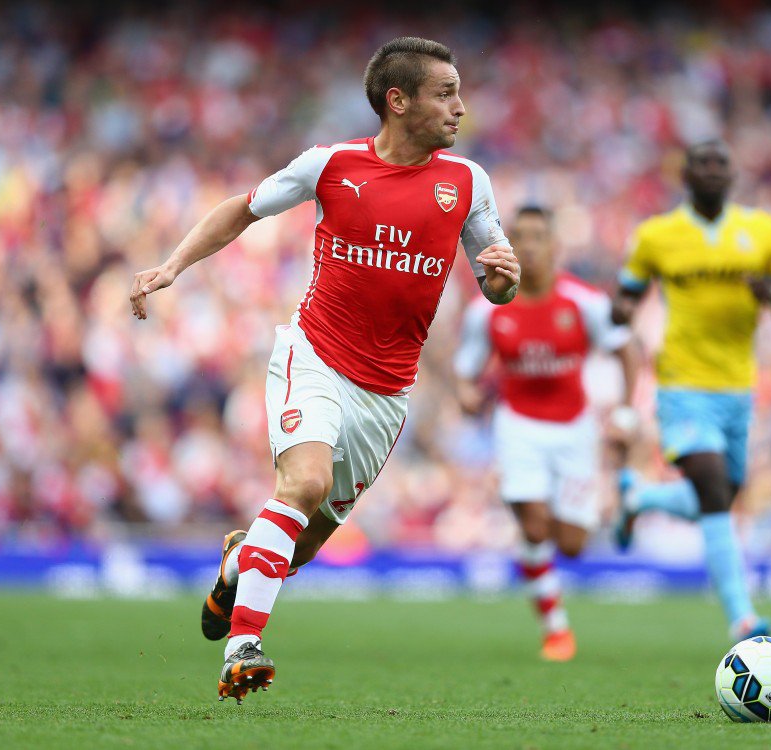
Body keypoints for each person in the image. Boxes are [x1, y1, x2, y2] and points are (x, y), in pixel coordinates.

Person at [128, 37, 521, 704]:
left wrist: (504, 280)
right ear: (398, 101)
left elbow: (497, 279)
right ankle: (242, 647)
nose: (461, 106)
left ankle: (235, 567)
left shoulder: (468, 182)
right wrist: (173, 265)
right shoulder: (331, 166)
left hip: (387, 393)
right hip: (314, 358)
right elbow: (241, 210)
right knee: (303, 482)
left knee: (299, 548)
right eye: (445, 93)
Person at [612, 138, 771, 641]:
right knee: (715, 491)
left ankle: (641, 499)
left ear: (733, 174)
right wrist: (619, 316)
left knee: (718, 495)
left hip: (739, 388)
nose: (713, 171)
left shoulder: (762, 231)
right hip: (680, 383)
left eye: (722, 163)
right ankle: (743, 617)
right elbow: (626, 297)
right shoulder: (657, 236)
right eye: (703, 164)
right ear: (687, 175)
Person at [453, 206, 637, 661]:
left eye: (539, 237)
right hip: (518, 425)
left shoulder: (584, 302)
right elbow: (466, 372)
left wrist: (628, 412)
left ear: (555, 246)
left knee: (572, 545)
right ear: (507, 247)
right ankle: (556, 630)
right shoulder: (487, 311)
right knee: (534, 526)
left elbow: (627, 351)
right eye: (521, 237)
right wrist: (467, 395)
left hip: (575, 429)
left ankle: (629, 504)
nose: (530, 246)